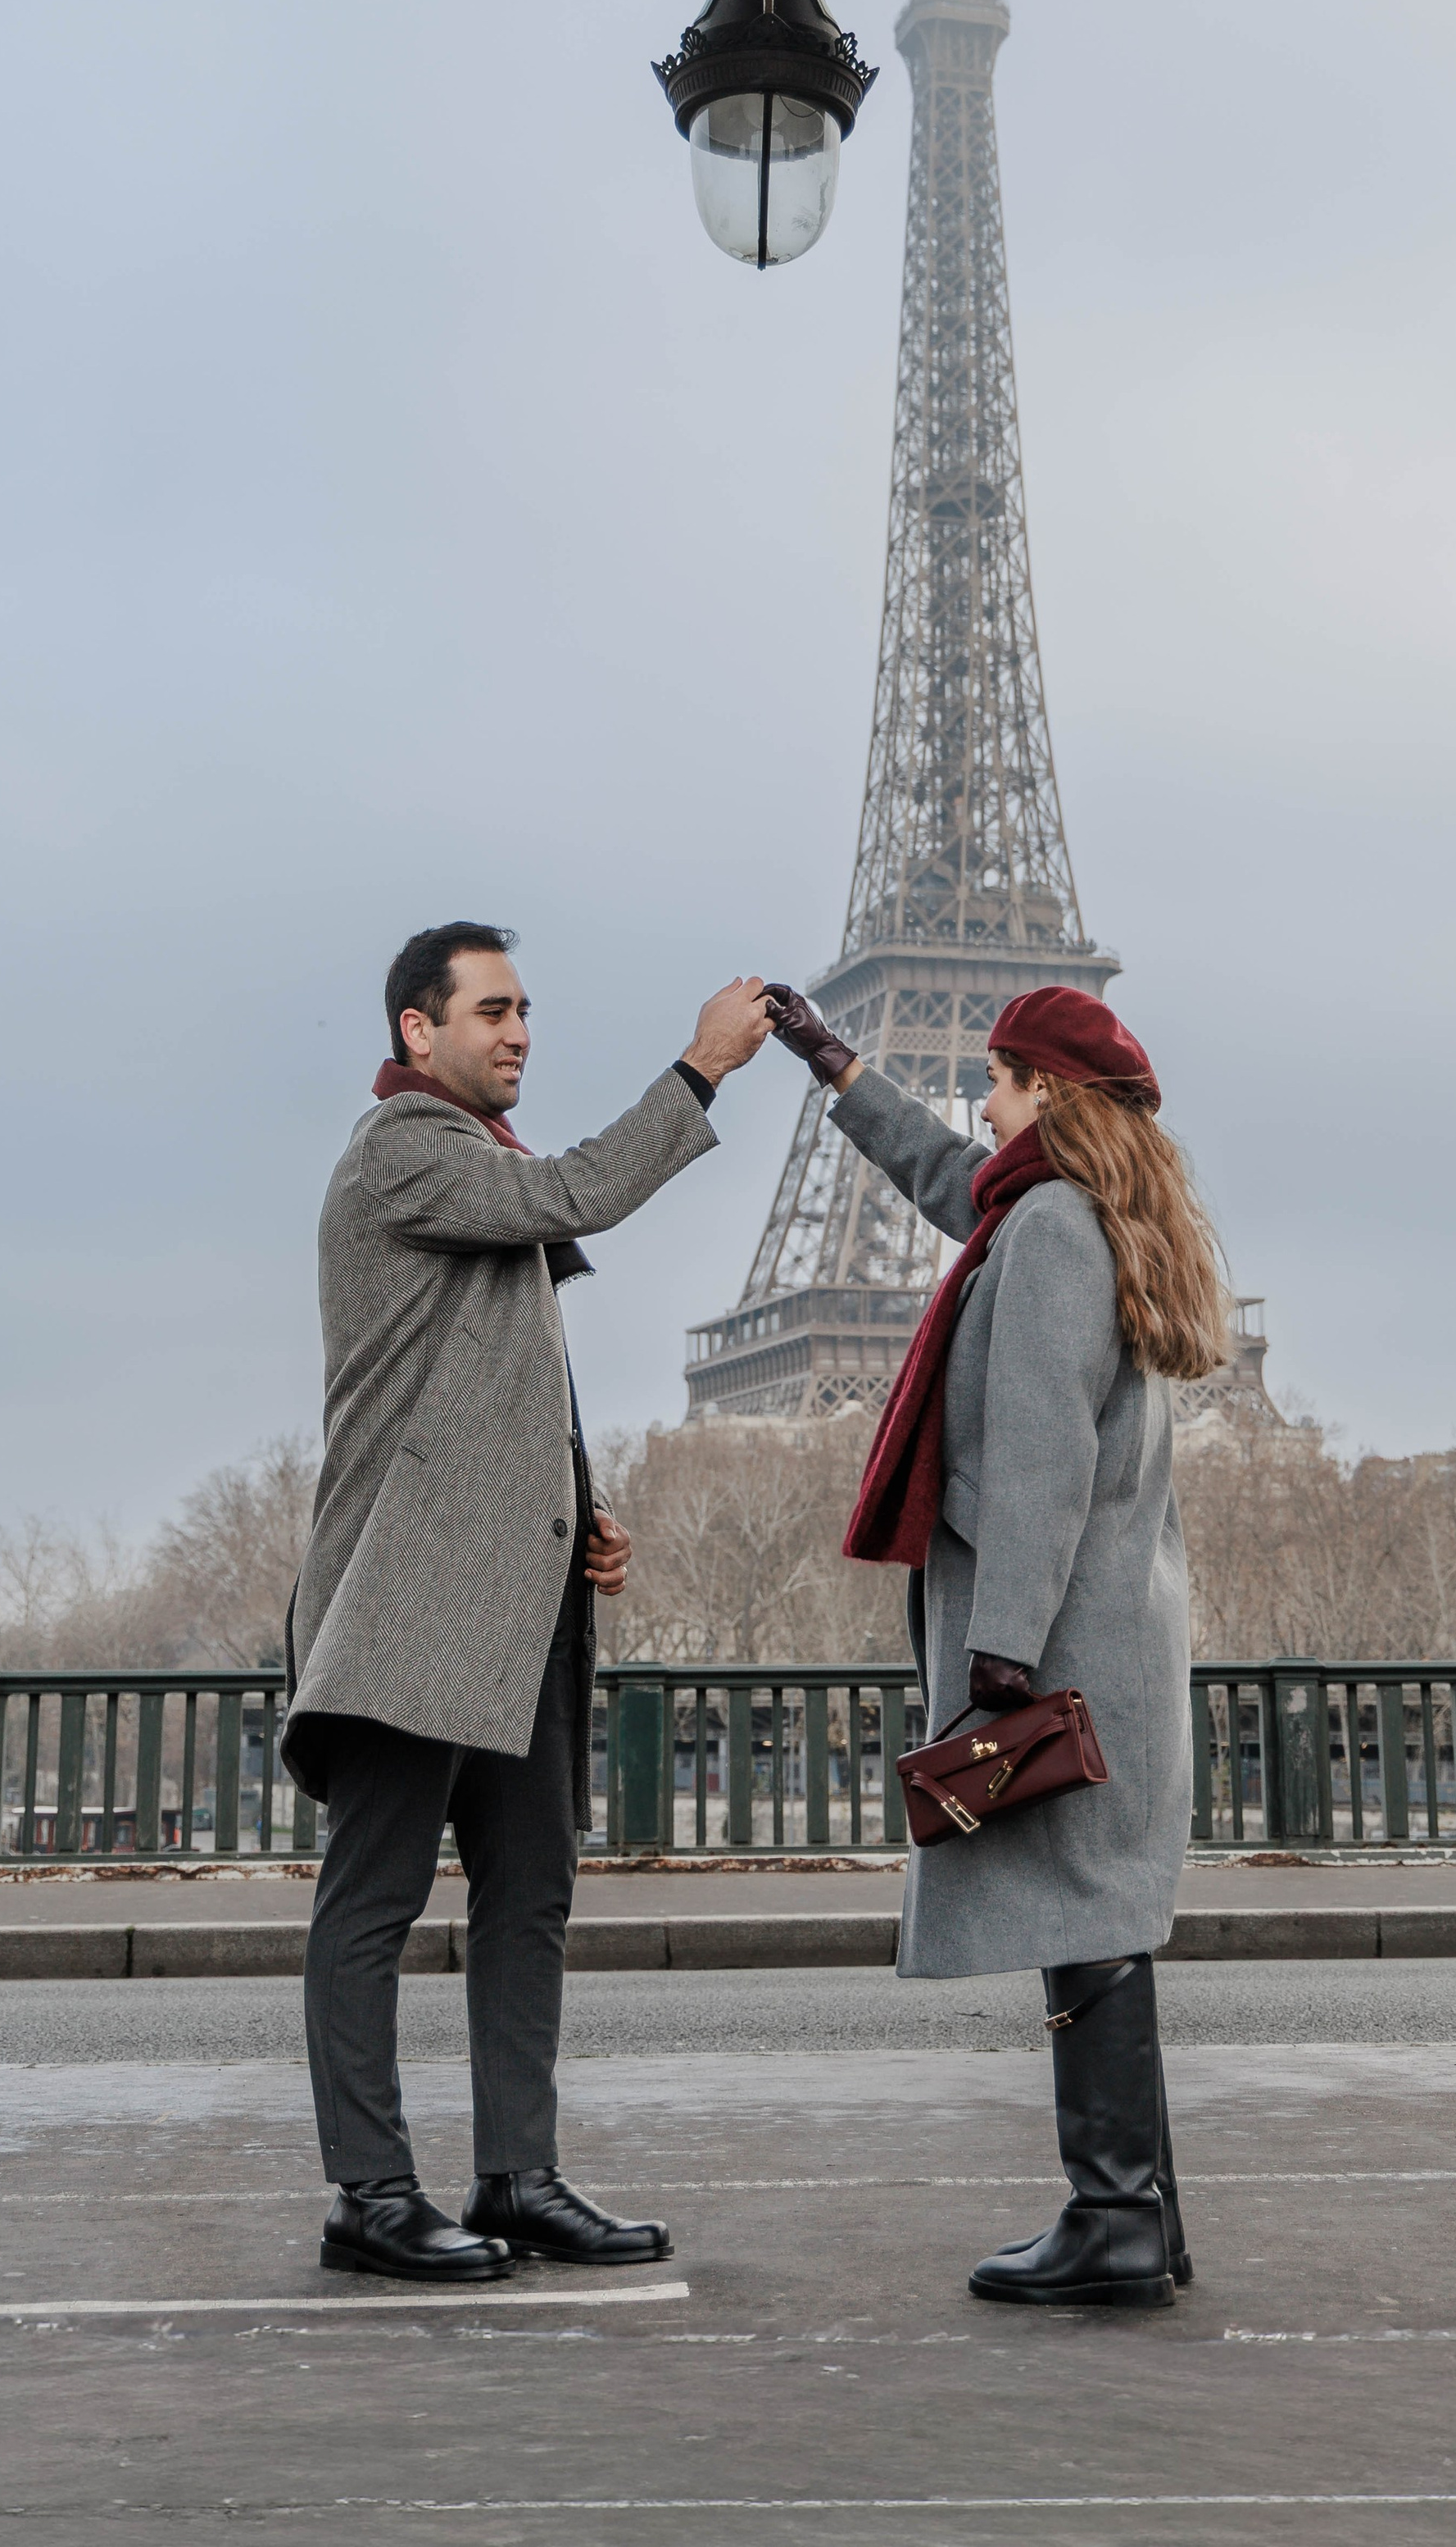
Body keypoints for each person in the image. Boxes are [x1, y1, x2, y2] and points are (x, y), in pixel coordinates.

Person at [283, 922, 773, 2283]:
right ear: (414, 1034)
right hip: (411, 1603)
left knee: (530, 1894)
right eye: (491, 1010)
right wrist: (700, 1069)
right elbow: (581, 1192)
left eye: (525, 1010)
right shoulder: (406, 1154)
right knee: (370, 1903)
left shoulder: (476, 1164)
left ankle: (517, 2178)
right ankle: (370, 2194)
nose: (519, 1033)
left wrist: (576, 1514)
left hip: (517, 1594)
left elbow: (490, 1386)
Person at [764, 978, 1227, 2309]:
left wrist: (1000, 1658)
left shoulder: (1053, 1236)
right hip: (1114, 1633)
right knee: (1102, 1919)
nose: (985, 1100)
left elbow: (1036, 1460)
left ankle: (1114, 2217)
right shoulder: (1083, 1216)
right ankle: (1140, 2211)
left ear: (1053, 1099)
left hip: (1063, 1643)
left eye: (1003, 1081)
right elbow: (948, 1175)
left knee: (1086, 1919)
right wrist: (842, 1072)